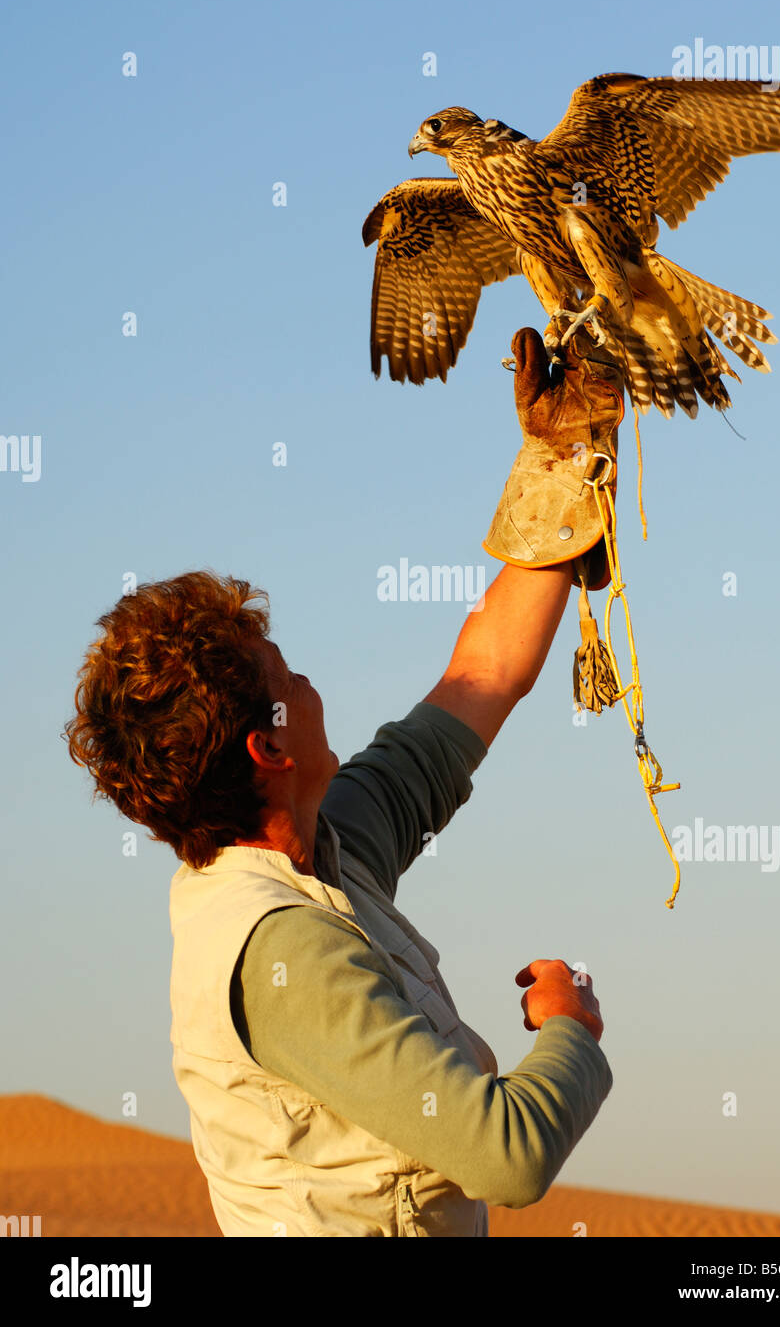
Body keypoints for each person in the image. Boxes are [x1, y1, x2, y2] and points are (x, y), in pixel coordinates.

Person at [65, 329, 616, 1237]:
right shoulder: (284, 958)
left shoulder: (327, 846)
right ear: (268, 750)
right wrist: (570, 1031)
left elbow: (481, 678)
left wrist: (567, 454)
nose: (313, 687)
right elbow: (506, 1157)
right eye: (290, 680)